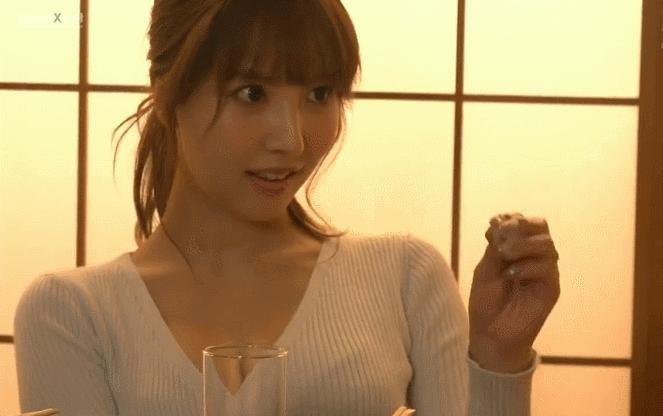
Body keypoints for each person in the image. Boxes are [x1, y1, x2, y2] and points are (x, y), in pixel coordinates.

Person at [13, 0, 561, 415]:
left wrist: (497, 355)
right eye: (252, 93)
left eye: (319, 94)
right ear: (165, 90)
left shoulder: (405, 277)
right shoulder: (71, 314)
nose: (292, 140)